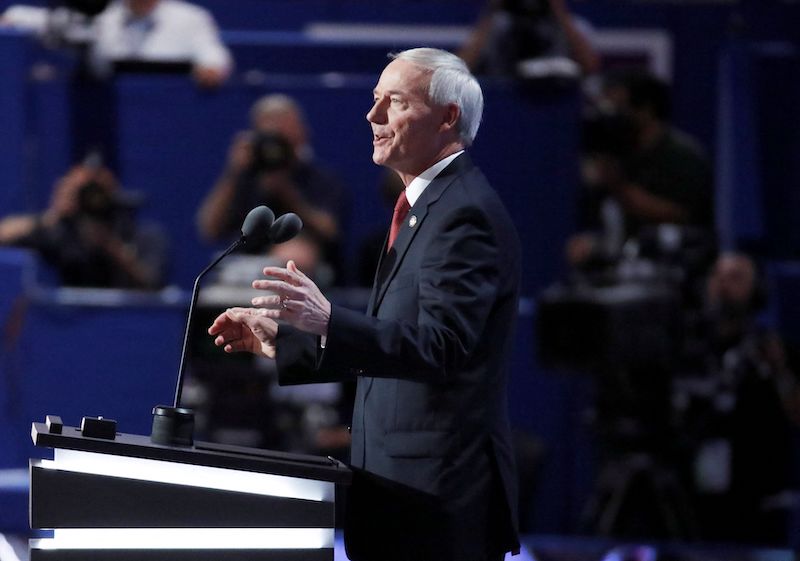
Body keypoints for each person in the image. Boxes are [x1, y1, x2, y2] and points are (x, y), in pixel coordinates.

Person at [208, 48, 521, 561]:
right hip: (399, 497)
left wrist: (328, 318)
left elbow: (443, 348)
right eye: (375, 100)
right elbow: (395, 348)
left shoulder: (464, 215)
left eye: (394, 103)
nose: (372, 116)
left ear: (448, 117)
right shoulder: (426, 209)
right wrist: (286, 344)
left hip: (435, 505)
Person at [197, 93, 347, 284]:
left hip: (305, 276)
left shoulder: (321, 178)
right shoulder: (244, 178)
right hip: (243, 274)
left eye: (282, 130)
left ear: (302, 133)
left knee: (295, 255)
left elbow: (330, 231)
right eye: (269, 131)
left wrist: (287, 193)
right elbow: (209, 229)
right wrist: (233, 172)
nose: (275, 143)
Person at [0, 160, 167, 289]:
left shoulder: (145, 236)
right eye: (86, 193)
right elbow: (4, 235)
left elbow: (152, 284)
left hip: (131, 326)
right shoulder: (63, 234)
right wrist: (53, 215)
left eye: (98, 192)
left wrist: (110, 245)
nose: (93, 200)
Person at [90, 0, 232, 88]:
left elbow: (211, 52)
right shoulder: (103, 19)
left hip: (175, 105)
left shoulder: (190, 18)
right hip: (117, 104)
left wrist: (211, 67)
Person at [459, 0, 600, 78]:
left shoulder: (574, 26)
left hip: (558, 109)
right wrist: (492, 10)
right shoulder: (496, 27)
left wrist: (559, 11)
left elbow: (590, 66)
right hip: (506, 108)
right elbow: (460, 69)